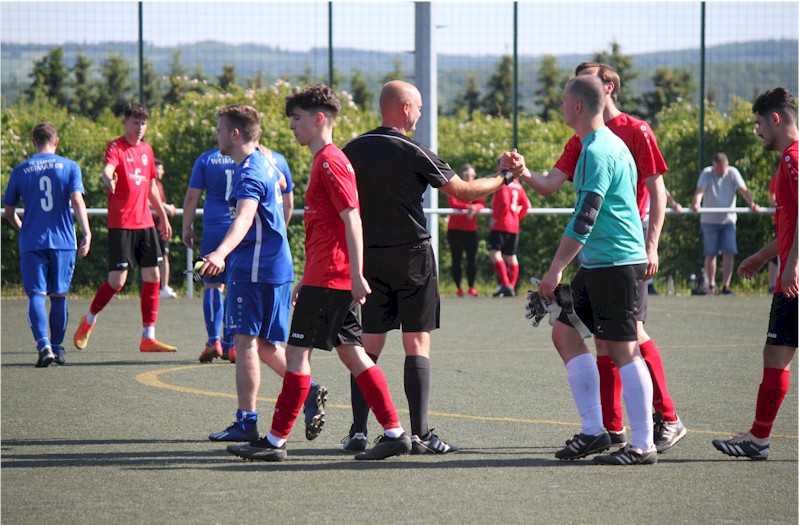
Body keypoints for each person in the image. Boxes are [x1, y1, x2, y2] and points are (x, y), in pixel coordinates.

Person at [507, 62, 686, 454]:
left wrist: (555, 271)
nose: (559, 106)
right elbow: (559, 191)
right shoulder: (596, 143)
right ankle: (596, 429)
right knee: (565, 332)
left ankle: (642, 444)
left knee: (623, 350)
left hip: (616, 264)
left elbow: (585, 216)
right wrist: (522, 173)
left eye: (563, 101)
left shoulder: (599, 150)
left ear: (576, 106)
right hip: (601, 264)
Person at [228, 85, 411, 461]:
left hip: (332, 278)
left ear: (319, 119)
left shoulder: (330, 161)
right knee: (353, 354)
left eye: (297, 119)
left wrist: (356, 274)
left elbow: (352, 218)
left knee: (296, 355)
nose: (292, 126)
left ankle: (276, 442)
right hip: (325, 276)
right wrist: (308, 276)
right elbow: (328, 228)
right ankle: (394, 432)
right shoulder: (323, 161)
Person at [341, 80, 516, 454]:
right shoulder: (413, 149)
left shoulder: (350, 150)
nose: (420, 114)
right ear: (405, 109)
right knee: (416, 342)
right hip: (412, 257)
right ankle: (420, 434)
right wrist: (504, 178)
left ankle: (358, 430)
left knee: (367, 346)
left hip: (368, 259)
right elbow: (464, 193)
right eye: (418, 108)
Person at [196, 105, 327, 444]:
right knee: (267, 344)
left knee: (244, 342)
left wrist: (220, 253)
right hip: (276, 264)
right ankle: (307, 390)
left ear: (234, 134)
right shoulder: (268, 161)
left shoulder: (248, 171)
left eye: (220, 129)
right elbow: (283, 187)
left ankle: (247, 421)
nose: (216, 135)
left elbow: (243, 217)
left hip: (254, 269)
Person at [713, 87, 798, 460]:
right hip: (789, 272)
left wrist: (792, 265)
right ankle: (758, 437)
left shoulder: (793, 159)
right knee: (776, 353)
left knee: (776, 354)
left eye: (759, 124)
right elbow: (790, 222)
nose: (758, 132)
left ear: (775, 119)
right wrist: (765, 256)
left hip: (794, 282)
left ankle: (758, 438)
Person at [72, 103, 176, 353]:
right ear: (125, 122)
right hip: (122, 224)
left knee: (154, 276)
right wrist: (109, 178)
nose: (139, 128)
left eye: (143, 123)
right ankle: (88, 321)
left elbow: (151, 187)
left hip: (146, 224)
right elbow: (107, 170)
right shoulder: (116, 147)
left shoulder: (147, 150)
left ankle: (147, 336)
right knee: (117, 281)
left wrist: (162, 216)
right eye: (135, 122)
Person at [3, 122, 92, 367]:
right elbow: (76, 200)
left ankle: (43, 345)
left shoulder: (21, 170)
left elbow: (9, 211)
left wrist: (23, 228)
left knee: (36, 294)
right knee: (59, 296)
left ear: (33, 142)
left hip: (32, 241)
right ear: (57, 141)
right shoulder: (70, 167)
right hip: (63, 241)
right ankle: (57, 347)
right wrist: (86, 232)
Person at [183, 148, 238, 362]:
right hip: (240, 227)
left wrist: (187, 227)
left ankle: (213, 340)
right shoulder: (249, 155)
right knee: (236, 284)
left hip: (214, 227)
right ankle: (232, 344)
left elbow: (191, 197)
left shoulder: (206, 158)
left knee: (212, 284)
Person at [691, 152, 761, 295]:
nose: (720, 172)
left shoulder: (733, 172)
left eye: (722, 169)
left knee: (729, 252)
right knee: (710, 254)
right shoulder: (707, 173)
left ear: (726, 166)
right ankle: (711, 285)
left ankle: (726, 285)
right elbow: (700, 190)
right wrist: (696, 203)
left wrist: (752, 204)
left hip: (728, 220)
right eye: (717, 169)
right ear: (714, 165)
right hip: (710, 220)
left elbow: (743, 190)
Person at [488, 156, 531, 298]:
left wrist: (495, 217)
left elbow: (504, 203)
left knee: (495, 253)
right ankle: (511, 286)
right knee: (511, 256)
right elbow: (526, 205)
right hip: (513, 225)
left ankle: (506, 284)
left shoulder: (501, 182)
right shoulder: (517, 184)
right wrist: (516, 218)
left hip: (501, 224)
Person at [447, 164, 485, 297]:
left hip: (471, 230)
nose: (470, 177)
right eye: (467, 175)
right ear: (461, 175)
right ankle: (458, 288)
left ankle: (471, 287)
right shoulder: (455, 186)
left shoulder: (476, 188)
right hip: (455, 229)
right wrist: (470, 207)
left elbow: (482, 204)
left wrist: (474, 208)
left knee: (472, 259)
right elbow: (454, 203)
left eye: (472, 175)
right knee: (456, 259)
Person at [153, 158, 178, 298]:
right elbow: (148, 201)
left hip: (160, 226)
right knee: (154, 259)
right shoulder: (148, 183)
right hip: (150, 226)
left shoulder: (160, 185)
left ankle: (164, 287)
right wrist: (165, 206)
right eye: (160, 168)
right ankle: (154, 288)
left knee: (164, 255)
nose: (162, 171)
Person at [767, 174, 779, 293]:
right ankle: (772, 284)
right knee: (777, 252)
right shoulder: (777, 178)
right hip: (783, 222)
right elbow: (772, 199)